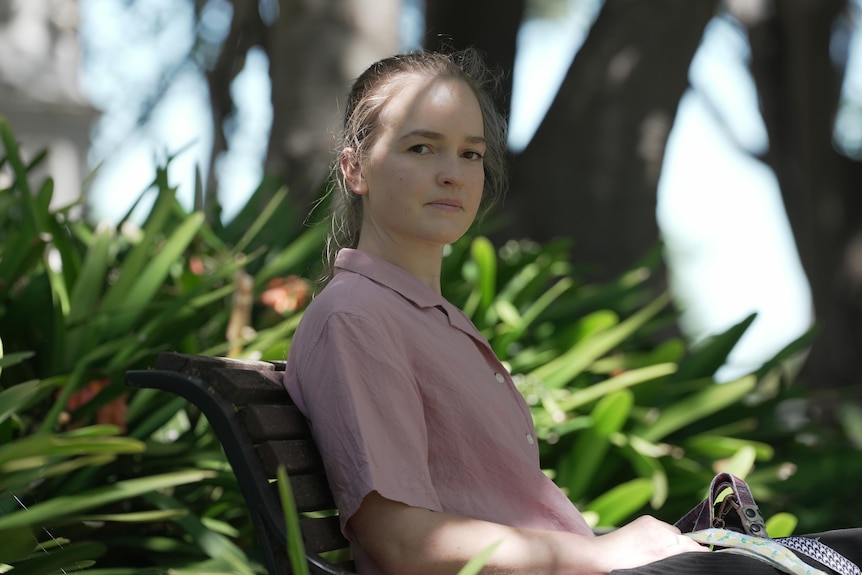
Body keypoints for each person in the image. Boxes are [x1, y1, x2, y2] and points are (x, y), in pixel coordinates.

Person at [281, 48, 858, 574]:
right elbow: (403, 543)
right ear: (354, 167)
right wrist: (602, 552)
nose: (453, 172)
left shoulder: (420, 314)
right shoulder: (357, 317)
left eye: (471, 153)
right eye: (421, 147)